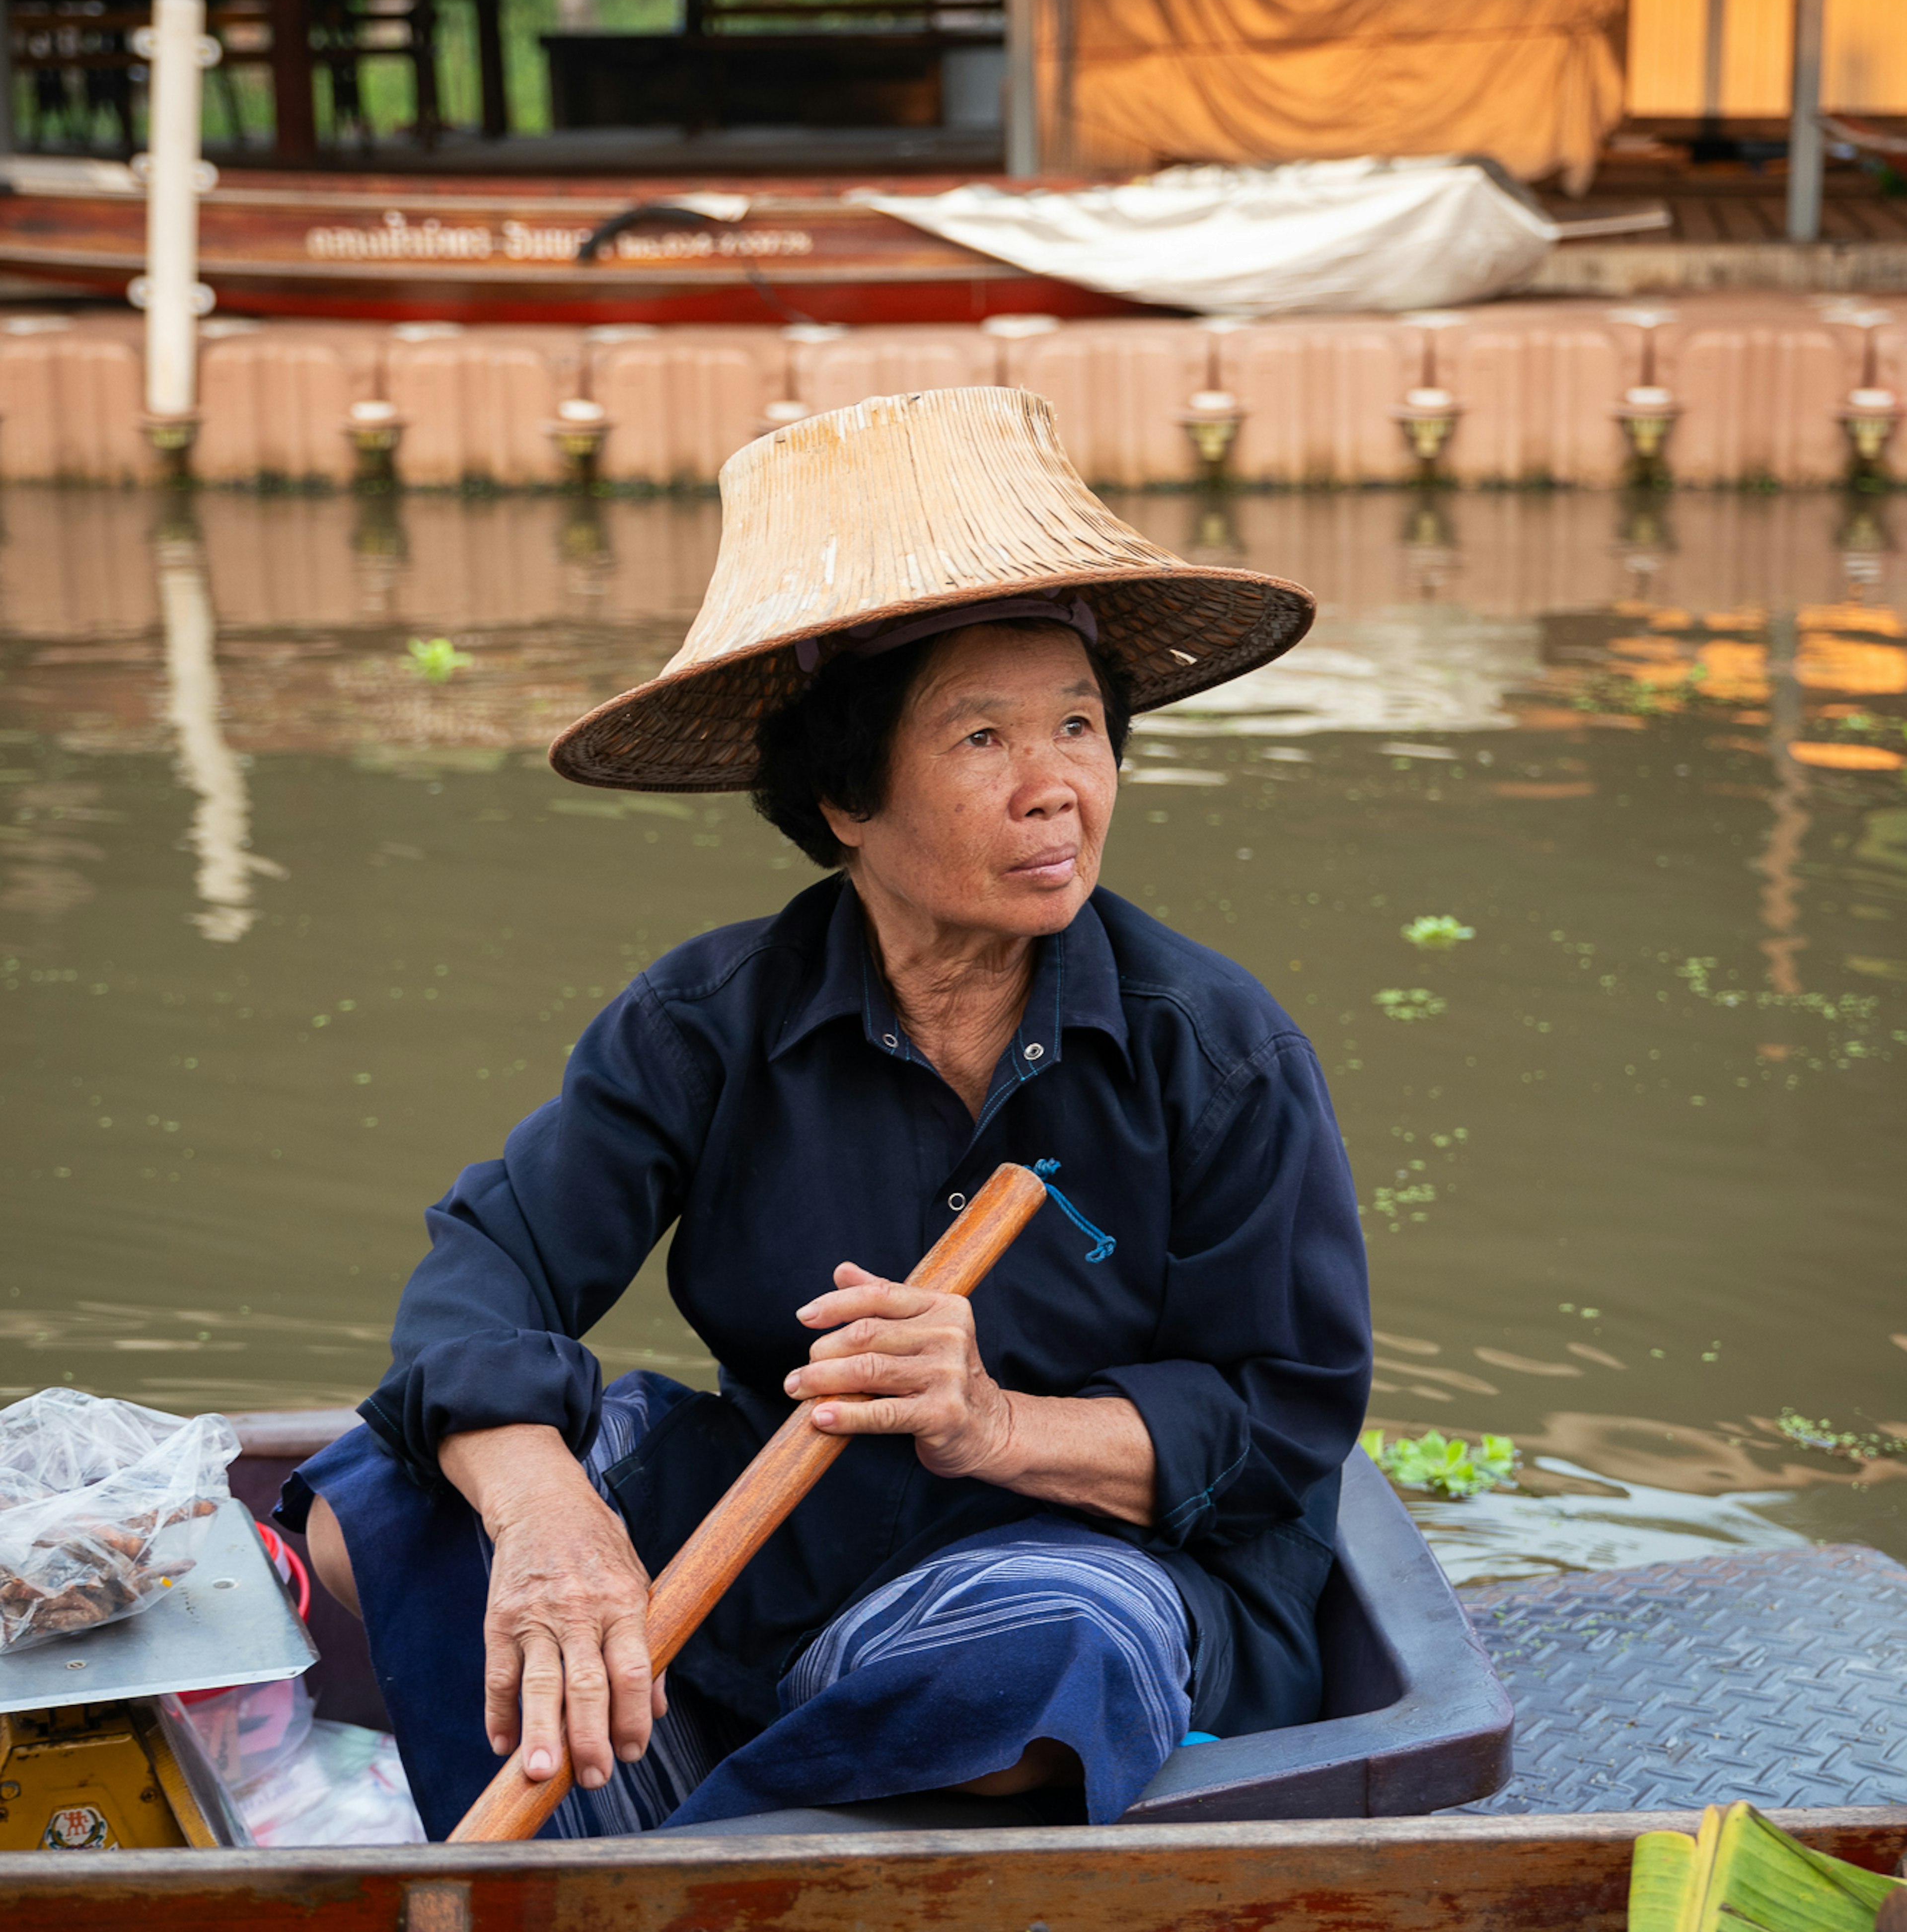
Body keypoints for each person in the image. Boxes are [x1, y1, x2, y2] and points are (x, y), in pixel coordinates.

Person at [280, 386, 1372, 1840]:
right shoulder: (708, 1020)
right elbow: (492, 1268)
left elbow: (1283, 1424)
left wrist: (993, 1421)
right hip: (780, 1542)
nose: (1057, 790)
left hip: (1066, 1559)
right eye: (983, 739)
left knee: (1049, 1663)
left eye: (1079, 725)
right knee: (382, 1498)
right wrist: (549, 1521)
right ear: (848, 800)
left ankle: (655, 1868)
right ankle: (674, 1826)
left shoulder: (1216, 1052)